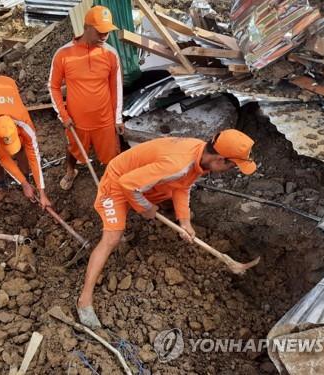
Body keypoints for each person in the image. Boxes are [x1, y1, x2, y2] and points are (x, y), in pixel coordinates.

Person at [76, 129, 257, 328]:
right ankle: (84, 301)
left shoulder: (199, 153)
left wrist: (185, 222)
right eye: (232, 165)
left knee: (172, 206)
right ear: (220, 159)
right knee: (113, 237)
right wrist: (145, 208)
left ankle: (136, 208)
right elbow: (127, 184)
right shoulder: (178, 164)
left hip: (139, 180)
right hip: (118, 182)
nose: (231, 170)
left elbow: (182, 186)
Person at [48, 5, 123, 191]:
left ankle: (111, 182)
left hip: (104, 119)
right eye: (100, 32)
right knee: (73, 149)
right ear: (87, 27)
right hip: (76, 121)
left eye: (107, 32)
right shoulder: (63, 54)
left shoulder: (110, 54)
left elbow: (116, 88)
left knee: (112, 155)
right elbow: (53, 87)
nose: (105, 36)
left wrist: (118, 118)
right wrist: (63, 116)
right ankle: (70, 171)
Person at [0, 76, 51, 208]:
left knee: (21, 149)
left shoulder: (24, 123)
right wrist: (24, 184)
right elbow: (3, 158)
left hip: (6, 85)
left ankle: (27, 178)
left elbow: (34, 156)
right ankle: (2, 186)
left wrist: (42, 192)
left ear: (16, 128)